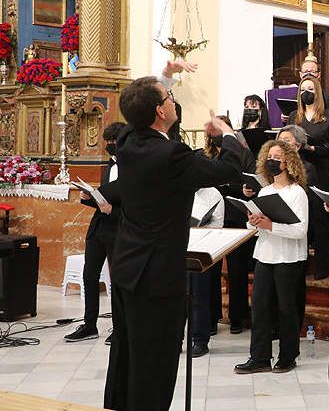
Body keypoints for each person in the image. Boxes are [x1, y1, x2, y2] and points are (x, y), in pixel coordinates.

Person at [104, 61, 242, 411]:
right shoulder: (172, 155)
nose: (173, 99)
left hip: (126, 267)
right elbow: (228, 168)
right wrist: (225, 132)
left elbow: (142, 115)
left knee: (127, 351)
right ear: (160, 110)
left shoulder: (127, 141)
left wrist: (164, 76)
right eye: (169, 95)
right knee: (156, 359)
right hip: (157, 274)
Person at [235, 140, 310, 374]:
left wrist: (271, 225)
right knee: (260, 306)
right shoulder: (265, 191)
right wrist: (254, 221)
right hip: (265, 255)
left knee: (286, 308)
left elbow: (300, 231)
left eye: (277, 157)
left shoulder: (297, 193)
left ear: (288, 161)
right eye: (269, 156)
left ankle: (288, 356)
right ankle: (259, 357)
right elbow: (256, 227)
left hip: (288, 257)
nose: (272, 160)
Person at [65, 121, 126, 345]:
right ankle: (89, 324)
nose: (110, 146)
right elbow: (104, 200)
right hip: (99, 228)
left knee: (118, 281)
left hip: (118, 230)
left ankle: (120, 328)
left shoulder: (132, 168)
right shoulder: (109, 166)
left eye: (113, 142)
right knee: (89, 275)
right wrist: (88, 199)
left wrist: (114, 210)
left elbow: (135, 203)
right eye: (107, 142)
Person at [206, 116, 257, 334]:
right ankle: (211, 316)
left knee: (237, 270)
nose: (216, 137)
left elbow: (249, 180)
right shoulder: (204, 156)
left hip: (235, 217)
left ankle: (237, 317)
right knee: (210, 271)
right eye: (213, 134)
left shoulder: (244, 154)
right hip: (210, 220)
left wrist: (235, 187)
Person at [271, 124, 329, 280]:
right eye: (280, 140)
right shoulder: (273, 166)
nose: (281, 143)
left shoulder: (306, 168)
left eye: (286, 140)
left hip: (303, 220)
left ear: (297, 146)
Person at [287, 75, 329, 192]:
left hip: (322, 171)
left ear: (317, 92)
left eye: (310, 89)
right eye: (302, 90)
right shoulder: (293, 116)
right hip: (299, 170)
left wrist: (314, 148)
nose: (306, 92)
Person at [188, 186, 225, 357]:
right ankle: (175, 340)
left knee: (198, 297)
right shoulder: (178, 186)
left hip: (201, 251)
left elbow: (218, 223)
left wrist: (200, 228)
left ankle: (200, 340)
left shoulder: (213, 194)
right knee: (178, 298)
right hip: (178, 247)